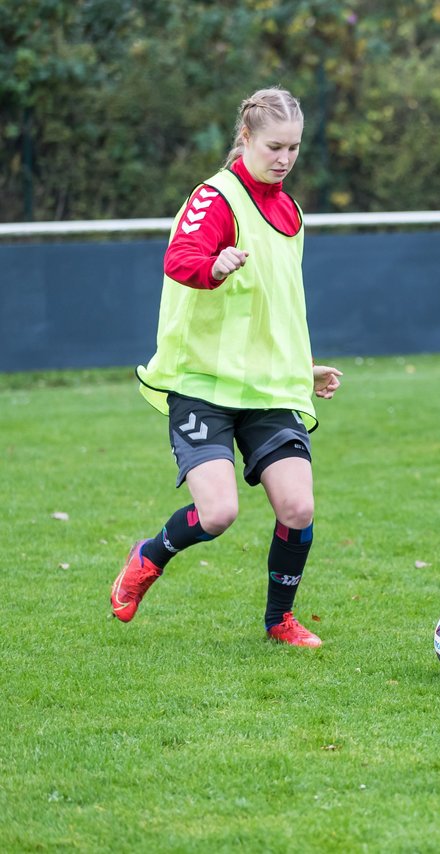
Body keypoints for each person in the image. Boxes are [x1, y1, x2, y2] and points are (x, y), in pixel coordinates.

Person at [112, 87, 343, 646]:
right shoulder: (216, 198)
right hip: (203, 385)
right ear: (246, 140)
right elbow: (180, 260)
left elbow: (276, 305)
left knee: (298, 504)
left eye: (293, 148)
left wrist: (302, 367)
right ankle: (149, 556)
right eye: (273, 147)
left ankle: (278, 621)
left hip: (267, 389)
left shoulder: (290, 209)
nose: (284, 159)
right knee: (216, 514)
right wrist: (213, 266)